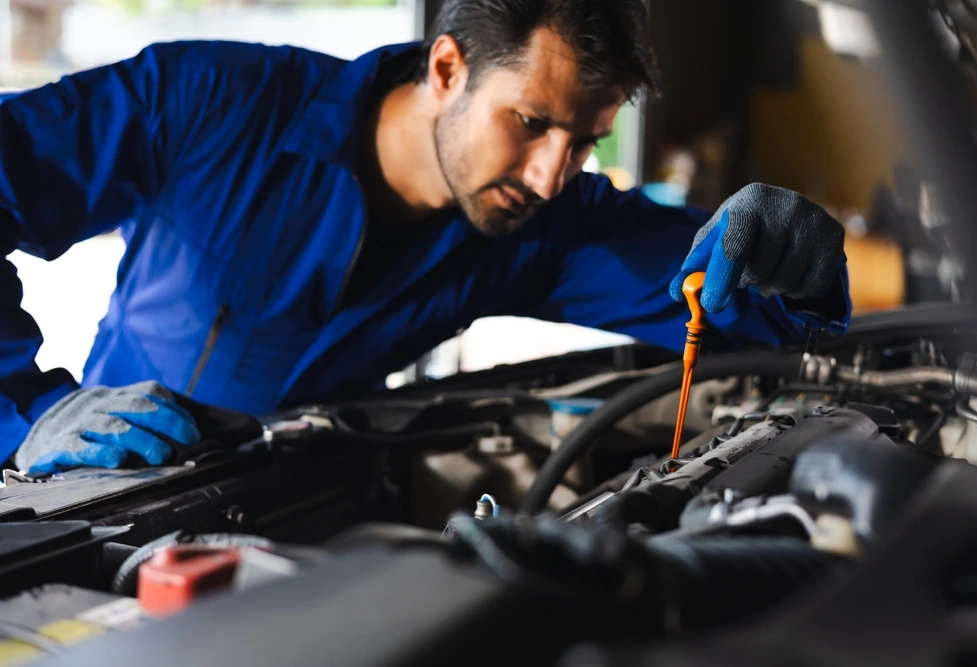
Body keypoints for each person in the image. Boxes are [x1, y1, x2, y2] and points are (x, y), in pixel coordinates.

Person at [0, 0, 849, 475]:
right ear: (447, 68)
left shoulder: (546, 224)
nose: (552, 174)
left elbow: (751, 313)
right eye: (531, 122)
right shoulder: (206, 103)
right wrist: (25, 412)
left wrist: (796, 262)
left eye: (585, 141)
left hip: (305, 525)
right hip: (105, 497)